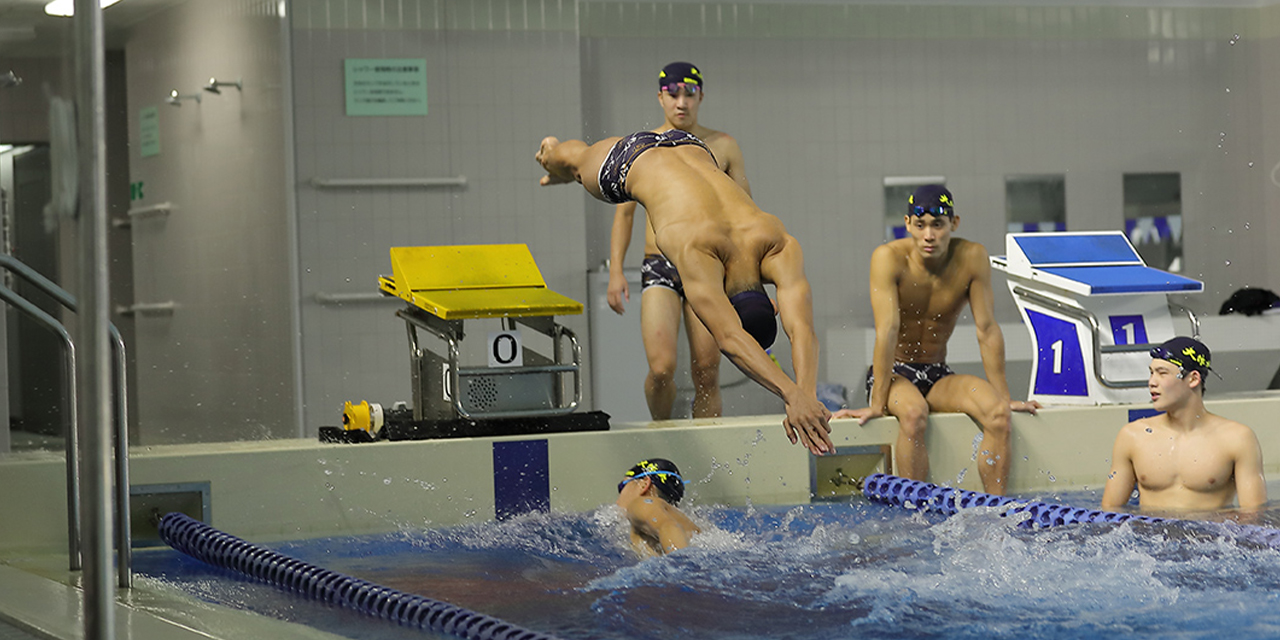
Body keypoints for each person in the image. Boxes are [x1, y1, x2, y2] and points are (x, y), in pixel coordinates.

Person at [535, 130, 833, 455]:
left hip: (690, 146)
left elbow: (802, 329)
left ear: (770, 302)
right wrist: (792, 395)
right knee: (578, 167)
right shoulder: (698, 253)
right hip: (631, 162)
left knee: (578, 157)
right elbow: (731, 338)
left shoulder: (777, 239)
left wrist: (805, 397)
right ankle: (552, 159)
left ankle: (556, 158)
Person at [832, 185, 1040, 494]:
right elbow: (887, 330)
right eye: (921, 226)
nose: (929, 235)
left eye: (938, 225)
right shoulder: (888, 258)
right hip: (893, 374)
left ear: (954, 224)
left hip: (937, 372)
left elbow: (987, 329)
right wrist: (877, 403)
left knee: (998, 413)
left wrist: (1003, 395)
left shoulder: (972, 257)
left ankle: (996, 511)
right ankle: (915, 512)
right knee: (914, 413)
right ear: (907, 224)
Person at [607, 61, 752, 421]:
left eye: (689, 94)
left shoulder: (724, 146)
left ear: (701, 96)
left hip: (707, 264)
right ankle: (664, 435)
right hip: (660, 265)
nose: (681, 103)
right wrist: (615, 272)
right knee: (661, 370)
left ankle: (709, 457)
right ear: (660, 98)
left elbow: (745, 217)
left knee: (707, 371)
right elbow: (624, 214)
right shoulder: (641, 147)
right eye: (673, 94)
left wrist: (752, 280)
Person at [1101, 337, 1267, 512]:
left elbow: (1254, 516)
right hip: (1149, 536)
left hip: (1209, 537)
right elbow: (1110, 511)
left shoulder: (1237, 438)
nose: (1152, 382)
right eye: (1151, 373)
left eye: (1162, 373)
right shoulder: (1133, 436)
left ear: (1193, 379)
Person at [616, 458, 701, 556]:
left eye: (622, 486)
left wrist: (682, 563)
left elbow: (669, 526)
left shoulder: (642, 504)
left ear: (644, 484)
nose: (618, 500)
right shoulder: (687, 521)